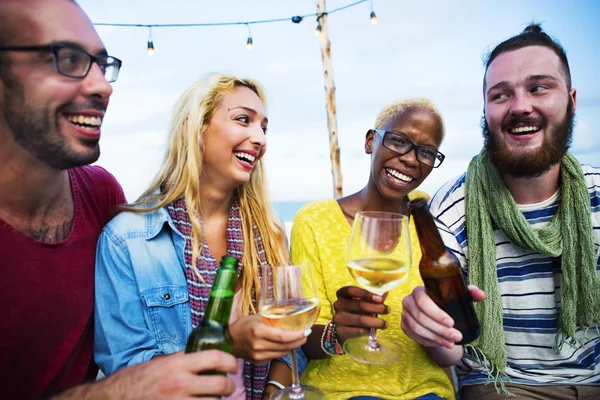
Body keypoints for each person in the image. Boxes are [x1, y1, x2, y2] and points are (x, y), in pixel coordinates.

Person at [0, 0, 239, 398]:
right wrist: (117, 391)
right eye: (68, 58)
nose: (102, 86)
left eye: (101, 63)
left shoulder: (100, 193)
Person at [401, 24, 600, 400]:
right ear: (486, 112)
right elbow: (451, 348)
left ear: (572, 100)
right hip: (501, 385)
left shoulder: (597, 195)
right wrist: (431, 328)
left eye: (539, 87)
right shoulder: (450, 209)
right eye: (501, 95)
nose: (520, 105)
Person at [94, 72, 309, 399]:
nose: (260, 139)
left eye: (264, 127)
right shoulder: (128, 239)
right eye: (243, 120)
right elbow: (127, 373)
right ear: (194, 128)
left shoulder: (269, 230)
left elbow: (289, 345)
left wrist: (274, 391)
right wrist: (228, 342)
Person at [265, 99, 456, 400]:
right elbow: (306, 336)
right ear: (370, 141)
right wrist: (337, 332)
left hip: (425, 390)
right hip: (341, 392)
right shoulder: (314, 221)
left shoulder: (430, 221)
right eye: (398, 141)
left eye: (426, 152)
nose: (410, 159)